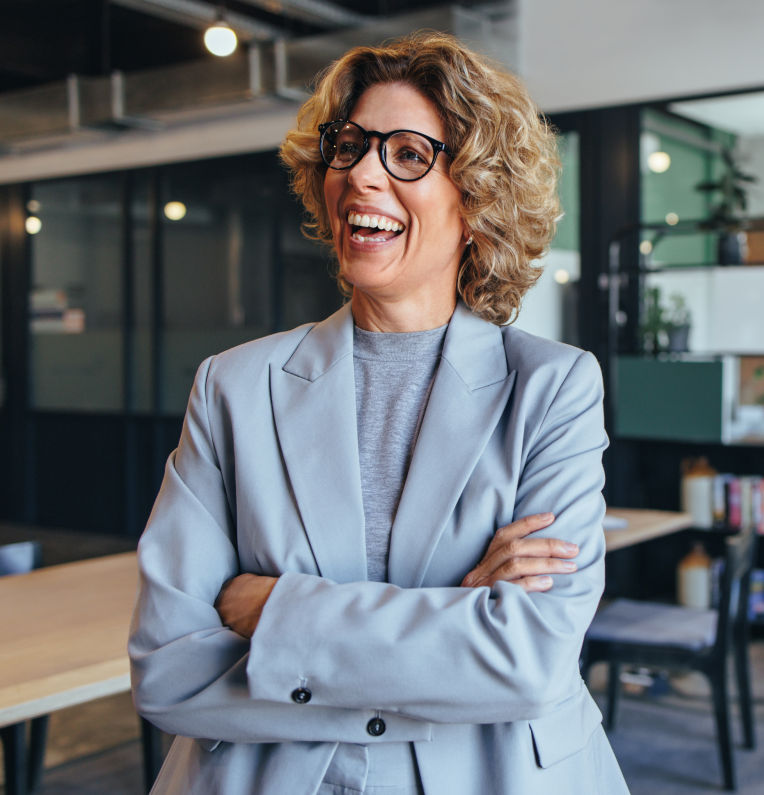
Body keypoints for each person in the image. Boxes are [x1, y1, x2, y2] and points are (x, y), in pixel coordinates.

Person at [129, 33, 630, 795]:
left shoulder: (553, 387)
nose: (361, 173)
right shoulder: (233, 386)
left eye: (406, 154)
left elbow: (526, 662)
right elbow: (169, 668)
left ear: (478, 194)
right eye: (349, 146)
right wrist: (453, 617)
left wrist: (276, 611)